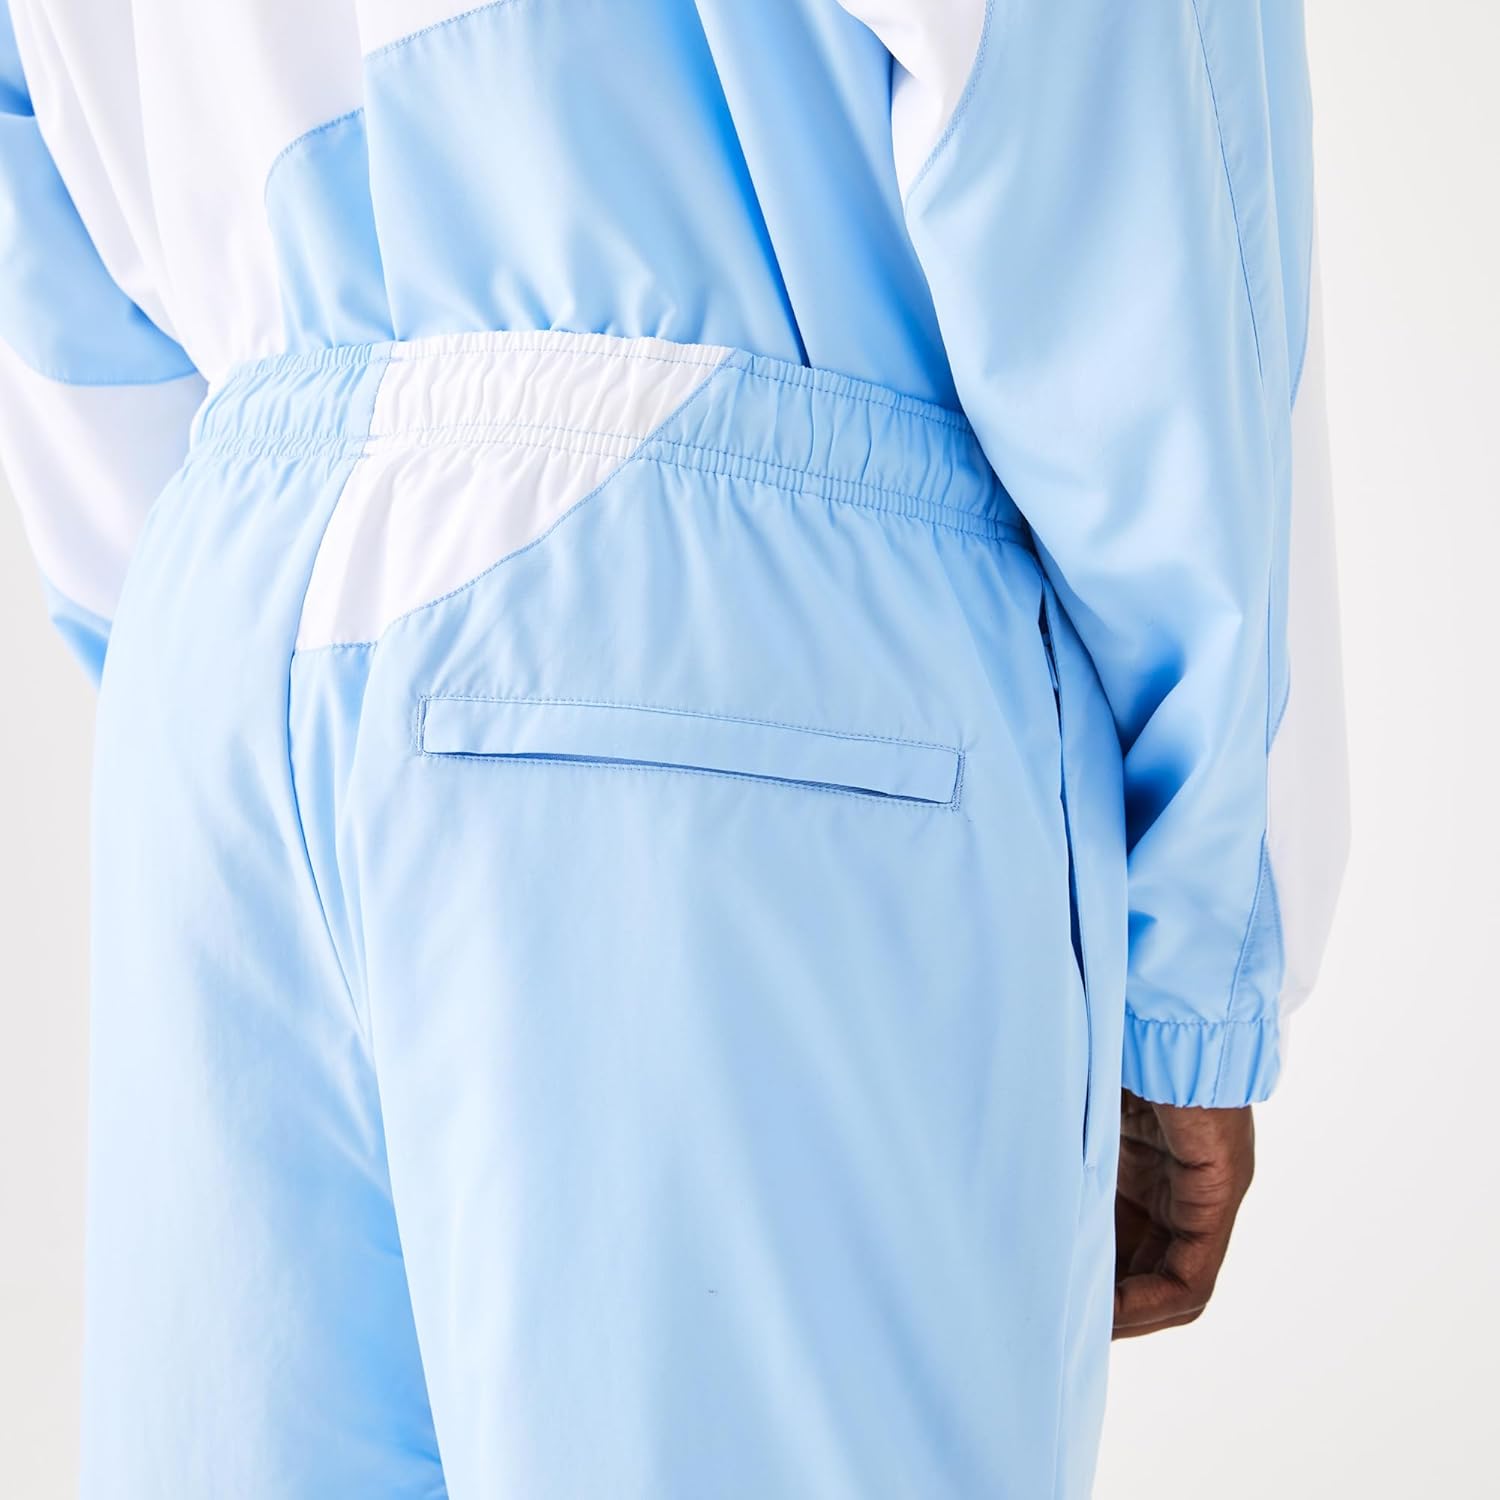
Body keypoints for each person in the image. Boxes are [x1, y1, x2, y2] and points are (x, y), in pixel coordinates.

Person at [0, 2, 1349, 1494]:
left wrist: (213, 669)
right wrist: (1194, 956)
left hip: (226, 641)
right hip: (735, 606)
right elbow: (1109, 117)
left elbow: (41, 216)